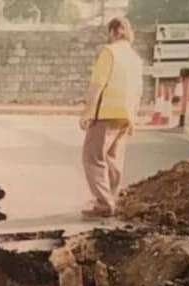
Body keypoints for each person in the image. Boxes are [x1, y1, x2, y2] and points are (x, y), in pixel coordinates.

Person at [80, 17, 144, 218]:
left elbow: (97, 85)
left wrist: (87, 112)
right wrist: (133, 117)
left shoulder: (110, 52)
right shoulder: (135, 58)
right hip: (125, 115)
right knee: (114, 159)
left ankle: (104, 203)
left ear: (115, 31)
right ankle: (110, 197)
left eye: (110, 33)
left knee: (93, 157)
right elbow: (138, 91)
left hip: (106, 114)